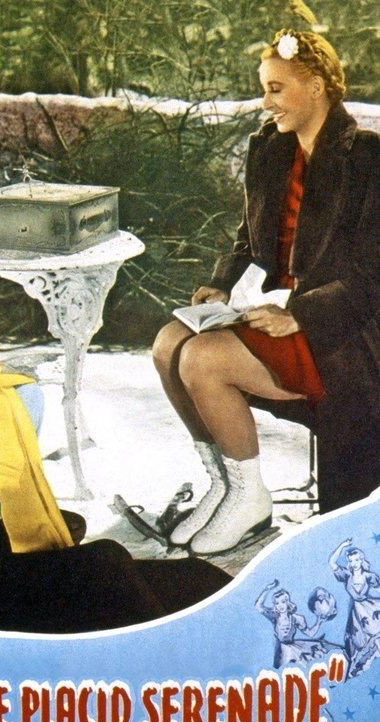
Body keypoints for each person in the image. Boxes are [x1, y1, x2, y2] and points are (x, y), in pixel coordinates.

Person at [0, 276, 232, 633]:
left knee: (199, 579)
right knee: (105, 564)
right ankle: (148, 657)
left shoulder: (21, 396)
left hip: (16, 549)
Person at [153, 28, 379, 555]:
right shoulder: (271, 148)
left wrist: (300, 314)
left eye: (277, 88)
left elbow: (372, 273)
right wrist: (221, 283)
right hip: (269, 309)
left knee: (203, 359)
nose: (266, 101)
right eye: (264, 89)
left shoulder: (367, 157)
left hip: (343, 332)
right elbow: (247, 238)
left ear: (317, 86)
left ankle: (250, 498)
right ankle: (227, 485)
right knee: (168, 345)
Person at [255, 579, 337, 668]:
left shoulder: (296, 619)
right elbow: (258, 606)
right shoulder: (274, 617)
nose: (280, 605)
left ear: (287, 602)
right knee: (284, 666)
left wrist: (319, 622)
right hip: (281, 649)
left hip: (294, 648)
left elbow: (310, 633)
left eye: (283, 602)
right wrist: (267, 589)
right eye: (277, 603)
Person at [329, 539, 380, 678]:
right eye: (351, 561)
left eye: (357, 560)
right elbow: (332, 563)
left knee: (375, 633)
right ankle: (360, 668)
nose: (354, 563)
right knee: (357, 641)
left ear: (361, 560)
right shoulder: (347, 576)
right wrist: (342, 545)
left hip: (370, 609)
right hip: (357, 613)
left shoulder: (369, 576)